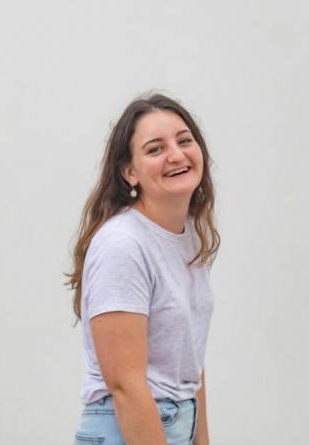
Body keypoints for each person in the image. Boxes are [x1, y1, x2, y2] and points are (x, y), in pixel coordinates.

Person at [66, 93, 220, 445]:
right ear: (129, 172)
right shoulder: (123, 244)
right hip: (129, 430)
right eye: (155, 149)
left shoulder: (192, 236)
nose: (176, 155)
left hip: (177, 424)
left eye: (184, 141)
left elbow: (190, 363)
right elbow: (126, 386)